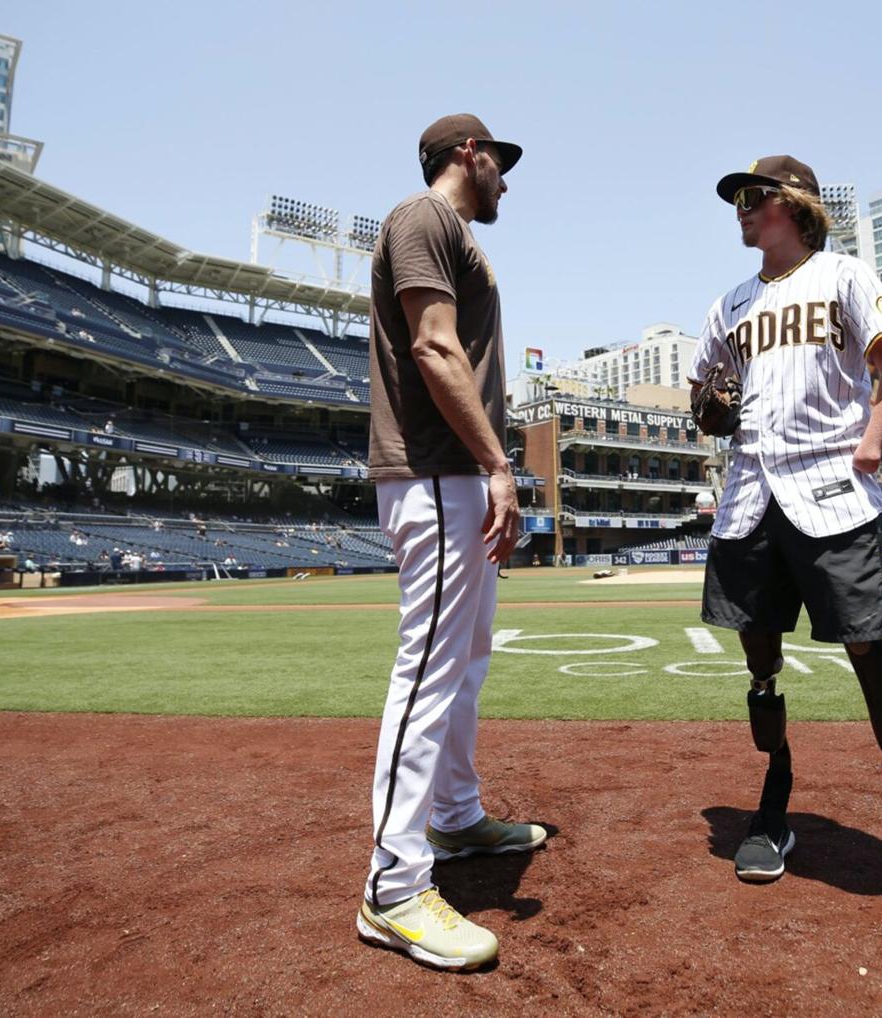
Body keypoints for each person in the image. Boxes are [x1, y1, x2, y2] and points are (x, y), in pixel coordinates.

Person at [690, 155, 882, 939]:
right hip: (748, 500)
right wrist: (706, 404)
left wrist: (873, 439)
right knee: (758, 658)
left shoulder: (843, 274)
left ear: (794, 205)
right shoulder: (731, 302)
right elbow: (704, 391)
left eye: (753, 197)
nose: (740, 208)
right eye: (737, 198)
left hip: (832, 491)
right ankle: (775, 800)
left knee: (869, 652)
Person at [357, 113, 543, 972]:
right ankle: (392, 887)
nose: (506, 178)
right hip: (437, 473)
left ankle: (458, 819)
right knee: (430, 669)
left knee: (465, 660)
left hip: (454, 477)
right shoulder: (422, 218)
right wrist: (498, 465)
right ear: (469, 155)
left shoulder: (451, 231)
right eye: (499, 163)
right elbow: (434, 347)